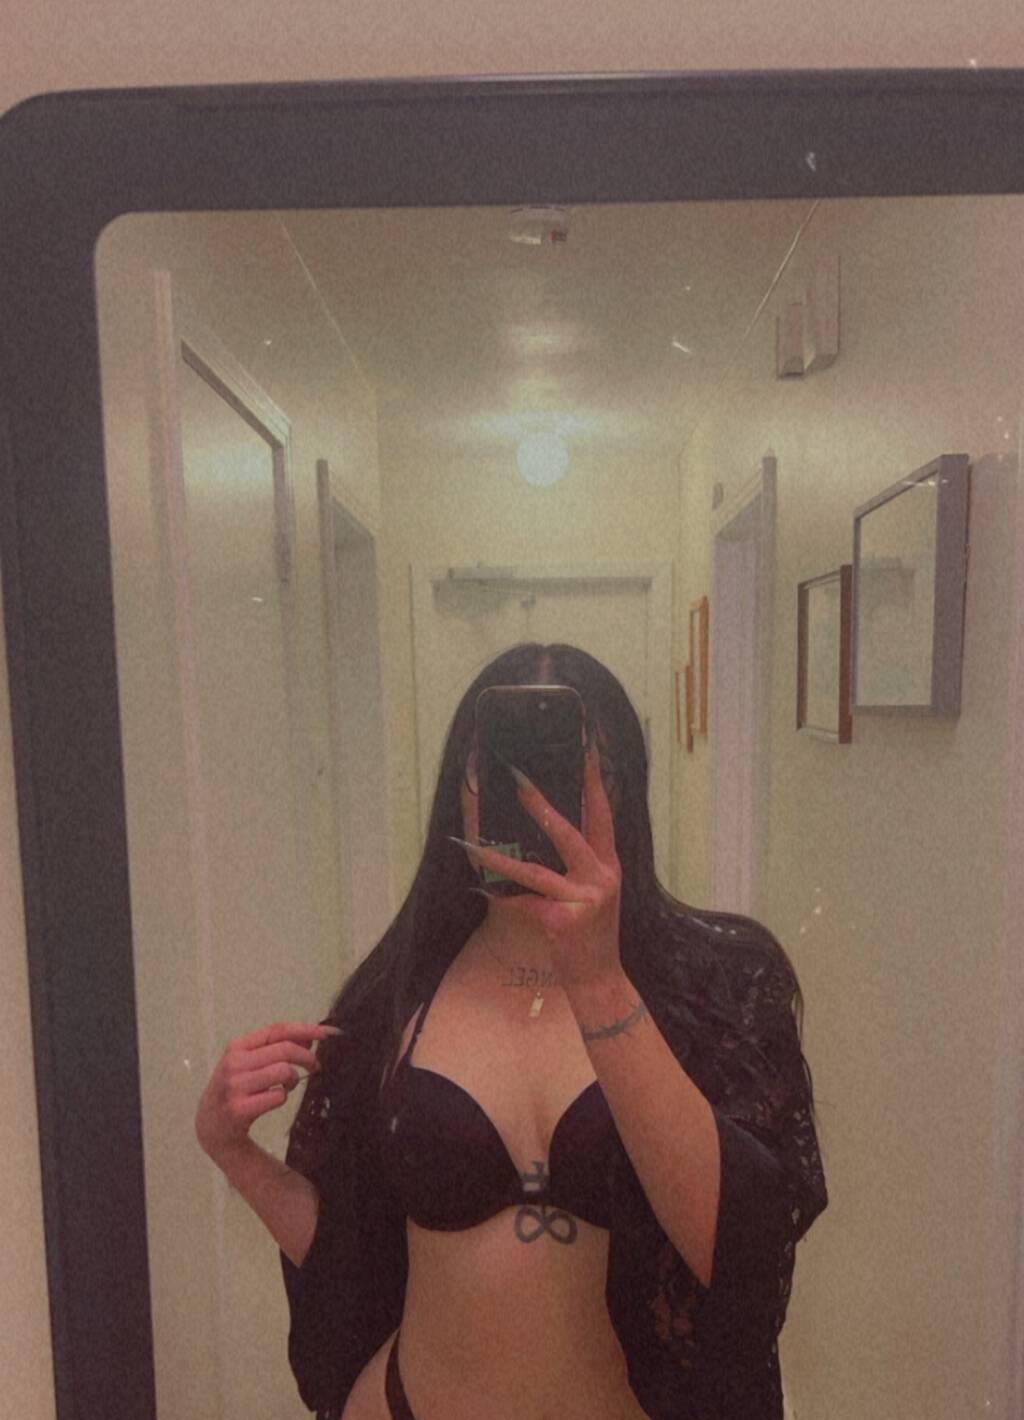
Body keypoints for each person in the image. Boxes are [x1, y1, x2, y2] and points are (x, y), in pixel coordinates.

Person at [195, 643, 827, 1420]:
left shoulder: (721, 982)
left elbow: (739, 1253)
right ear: (460, 794)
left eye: (578, 775)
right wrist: (233, 1152)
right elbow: (349, 1260)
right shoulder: (397, 992)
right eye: (499, 774)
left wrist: (597, 981)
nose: (536, 805)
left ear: (625, 793)